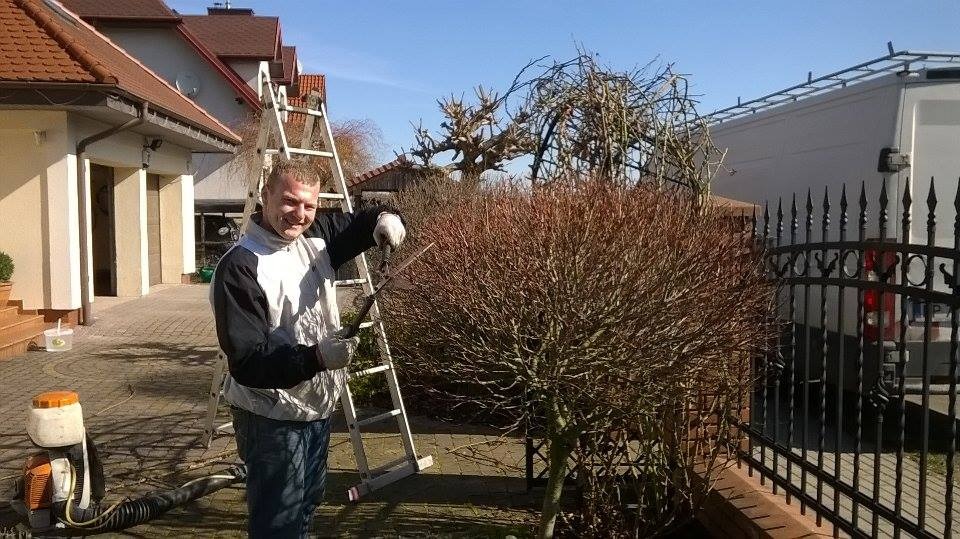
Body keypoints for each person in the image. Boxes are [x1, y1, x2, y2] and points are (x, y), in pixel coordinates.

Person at [210, 162, 406, 537]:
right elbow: (247, 363)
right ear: (265, 195)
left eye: (309, 205)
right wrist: (316, 357)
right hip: (270, 416)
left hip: (316, 408)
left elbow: (360, 223)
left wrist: (386, 218)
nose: (299, 215)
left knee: (307, 506)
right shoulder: (240, 267)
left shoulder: (314, 237)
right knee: (278, 523)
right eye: (289, 201)